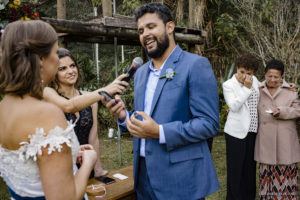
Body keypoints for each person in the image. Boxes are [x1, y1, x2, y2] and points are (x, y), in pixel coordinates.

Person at [104, 3, 220, 200]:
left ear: (169, 27)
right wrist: (124, 117)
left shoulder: (195, 65)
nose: (144, 34)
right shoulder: (140, 74)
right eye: (140, 30)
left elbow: (209, 124)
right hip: (143, 178)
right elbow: (144, 119)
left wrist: (160, 132)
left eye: (151, 27)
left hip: (180, 179)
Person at [0, 20, 97, 199]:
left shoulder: (4, 106)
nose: (57, 58)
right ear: (40, 60)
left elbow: (30, 163)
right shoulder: (46, 114)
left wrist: (69, 155)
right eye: (55, 52)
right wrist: (88, 163)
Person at [46, 47, 110, 177]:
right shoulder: (53, 100)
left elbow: (93, 138)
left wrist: (97, 169)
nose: (70, 71)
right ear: (54, 73)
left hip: (87, 162)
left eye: (72, 66)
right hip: (62, 167)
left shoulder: (89, 99)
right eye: (62, 69)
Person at [254, 59, 300, 199]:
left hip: (285, 142)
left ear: (282, 77)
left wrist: (282, 111)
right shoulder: (257, 90)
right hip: (265, 142)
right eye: (269, 76)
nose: (272, 79)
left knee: (286, 177)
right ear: (265, 74)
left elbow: (298, 110)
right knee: (266, 177)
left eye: (276, 77)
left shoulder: (291, 91)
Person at [222, 54, 260, 200]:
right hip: (235, 133)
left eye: (248, 73)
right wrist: (246, 88)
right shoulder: (228, 85)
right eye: (242, 71)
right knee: (235, 170)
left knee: (249, 169)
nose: (244, 76)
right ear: (237, 68)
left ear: (253, 73)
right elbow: (234, 106)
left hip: (253, 131)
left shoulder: (255, 81)